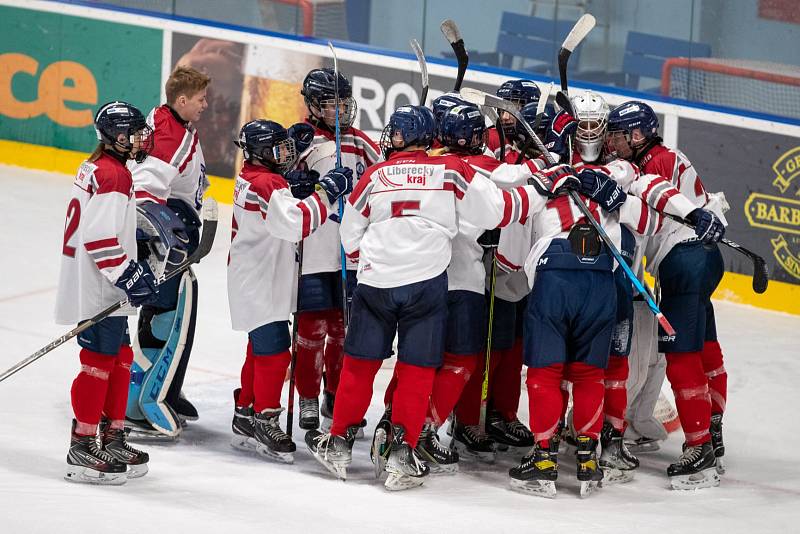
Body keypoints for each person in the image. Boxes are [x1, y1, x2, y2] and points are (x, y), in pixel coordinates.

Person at [304, 105, 569, 491]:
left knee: (360, 365)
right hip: (426, 285)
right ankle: (402, 452)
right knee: (417, 370)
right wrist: (543, 190)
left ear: (401, 138)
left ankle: (340, 442)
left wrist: (369, 263)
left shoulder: (376, 174)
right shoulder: (451, 172)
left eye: (394, 134)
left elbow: (349, 233)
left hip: (376, 284)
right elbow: (499, 211)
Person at [606, 100, 728, 489]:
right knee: (706, 344)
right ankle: (712, 429)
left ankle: (699, 448)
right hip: (704, 258)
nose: (612, 141)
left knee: (679, 354)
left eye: (618, 135)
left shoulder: (651, 167)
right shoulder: (670, 155)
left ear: (638, 135)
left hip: (683, 261)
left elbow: (644, 226)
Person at [228, 119, 352, 463]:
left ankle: (245, 412)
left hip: (254, 273)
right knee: (275, 352)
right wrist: (325, 192)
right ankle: (266, 417)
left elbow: (284, 208)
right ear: (260, 153)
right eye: (279, 149)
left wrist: (296, 184)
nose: (285, 154)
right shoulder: (267, 183)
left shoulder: (254, 174)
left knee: (259, 347)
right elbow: (296, 223)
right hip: (260, 278)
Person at [56, 101, 158, 485]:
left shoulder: (99, 167)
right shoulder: (114, 176)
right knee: (97, 363)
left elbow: (105, 227)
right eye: (134, 133)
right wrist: (129, 273)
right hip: (100, 284)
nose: (140, 139)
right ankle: (81, 446)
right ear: (117, 138)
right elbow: (99, 239)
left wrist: (134, 250)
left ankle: (112, 435)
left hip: (101, 280)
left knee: (120, 357)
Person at [291, 67, 381, 433]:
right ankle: (307, 397)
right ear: (313, 105)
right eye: (331, 104)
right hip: (314, 250)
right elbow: (278, 183)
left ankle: (336, 394)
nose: (340, 110)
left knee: (345, 328)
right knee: (311, 330)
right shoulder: (301, 140)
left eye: (344, 103)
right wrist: (294, 181)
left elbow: (385, 172)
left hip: (351, 252)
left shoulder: (361, 142)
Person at [127, 66, 211, 437]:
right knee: (166, 320)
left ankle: (166, 389)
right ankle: (142, 402)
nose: (205, 105)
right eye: (200, 99)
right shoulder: (169, 136)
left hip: (172, 240)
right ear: (181, 100)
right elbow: (145, 192)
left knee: (177, 319)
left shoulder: (166, 121)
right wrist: (159, 244)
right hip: (166, 247)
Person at [486, 79, 541, 160]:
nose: (505, 117)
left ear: (532, 110)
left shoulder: (546, 135)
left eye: (512, 110)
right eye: (502, 110)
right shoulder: (491, 137)